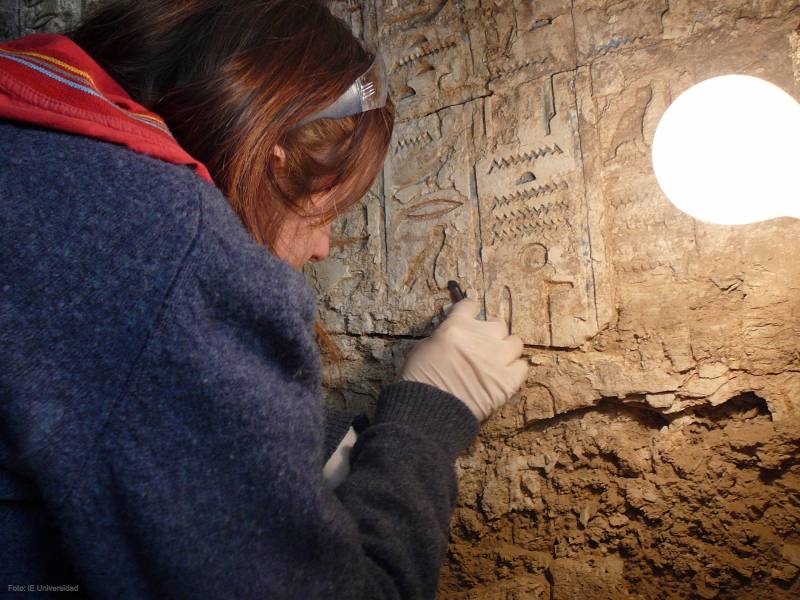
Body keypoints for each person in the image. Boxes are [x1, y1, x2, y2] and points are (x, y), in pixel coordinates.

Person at [0, 0, 529, 597]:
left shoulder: (34, 144)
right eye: (330, 207)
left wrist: (283, 451)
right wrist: (428, 420)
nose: (326, 245)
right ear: (274, 153)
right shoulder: (174, 246)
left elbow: (90, 398)